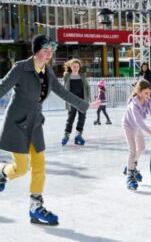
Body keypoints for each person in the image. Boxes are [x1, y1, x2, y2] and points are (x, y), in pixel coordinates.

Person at [0, 34, 89, 225]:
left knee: (40, 165)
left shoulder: (48, 72)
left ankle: (35, 207)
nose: (48, 54)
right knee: (22, 168)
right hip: (16, 123)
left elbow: (63, 92)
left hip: (35, 123)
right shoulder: (21, 68)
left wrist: (85, 105)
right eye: (45, 50)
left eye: (51, 51)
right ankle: (2, 173)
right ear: (36, 50)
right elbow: (2, 87)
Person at [122, 80, 151, 190]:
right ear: (139, 92)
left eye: (149, 93)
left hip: (137, 127)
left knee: (141, 148)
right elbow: (139, 121)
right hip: (128, 126)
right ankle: (130, 175)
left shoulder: (149, 101)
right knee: (133, 150)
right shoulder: (133, 104)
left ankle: (130, 165)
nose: (149, 95)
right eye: (146, 93)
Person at [61, 59, 91, 146]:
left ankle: (78, 135)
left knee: (82, 118)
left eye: (77, 67)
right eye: (74, 66)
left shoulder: (82, 76)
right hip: (71, 101)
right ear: (70, 67)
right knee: (71, 118)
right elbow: (65, 89)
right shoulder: (67, 76)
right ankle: (66, 135)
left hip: (82, 100)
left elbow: (87, 88)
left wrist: (87, 100)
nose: (76, 68)